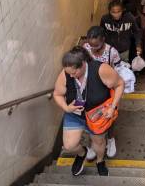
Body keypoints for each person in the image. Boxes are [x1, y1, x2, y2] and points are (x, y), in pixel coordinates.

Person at [53, 46, 124, 177]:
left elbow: (120, 84)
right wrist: (66, 107)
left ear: (82, 65)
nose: (70, 76)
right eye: (68, 73)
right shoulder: (66, 73)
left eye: (73, 73)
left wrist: (112, 106)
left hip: (97, 115)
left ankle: (100, 161)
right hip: (75, 114)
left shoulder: (101, 69)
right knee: (69, 145)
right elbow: (57, 94)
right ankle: (82, 153)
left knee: (99, 142)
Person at [80, 26, 122, 158]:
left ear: (103, 39)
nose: (93, 49)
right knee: (88, 115)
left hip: (107, 90)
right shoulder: (85, 48)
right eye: (91, 45)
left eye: (97, 45)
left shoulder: (112, 52)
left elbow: (118, 72)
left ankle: (110, 140)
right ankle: (94, 142)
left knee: (110, 116)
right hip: (89, 87)